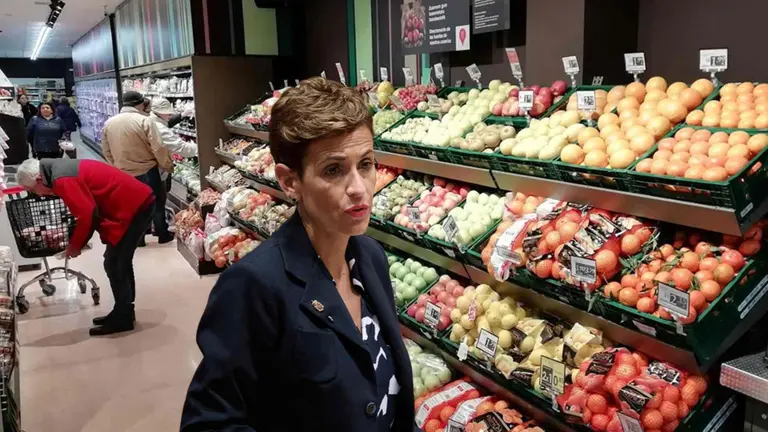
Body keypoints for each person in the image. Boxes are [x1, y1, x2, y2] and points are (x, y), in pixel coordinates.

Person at [181, 77, 416, 431]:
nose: (358, 188)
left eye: (365, 164)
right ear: (290, 182)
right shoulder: (253, 287)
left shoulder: (370, 257)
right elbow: (210, 423)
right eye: (333, 170)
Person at [16, 158, 155, 336]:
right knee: (117, 262)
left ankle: (124, 316)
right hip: (135, 202)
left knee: (116, 263)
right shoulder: (57, 170)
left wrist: (75, 246)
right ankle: (123, 310)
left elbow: (86, 213)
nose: (40, 195)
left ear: (38, 180)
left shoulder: (62, 179)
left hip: (135, 206)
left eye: (33, 190)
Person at [102, 91, 174, 245]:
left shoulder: (109, 123)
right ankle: (162, 234)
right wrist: (167, 165)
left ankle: (139, 238)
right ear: (140, 104)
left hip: (124, 172)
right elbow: (159, 147)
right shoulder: (145, 121)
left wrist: (117, 166)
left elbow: (106, 149)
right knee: (156, 203)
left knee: (134, 206)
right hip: (147, 169)